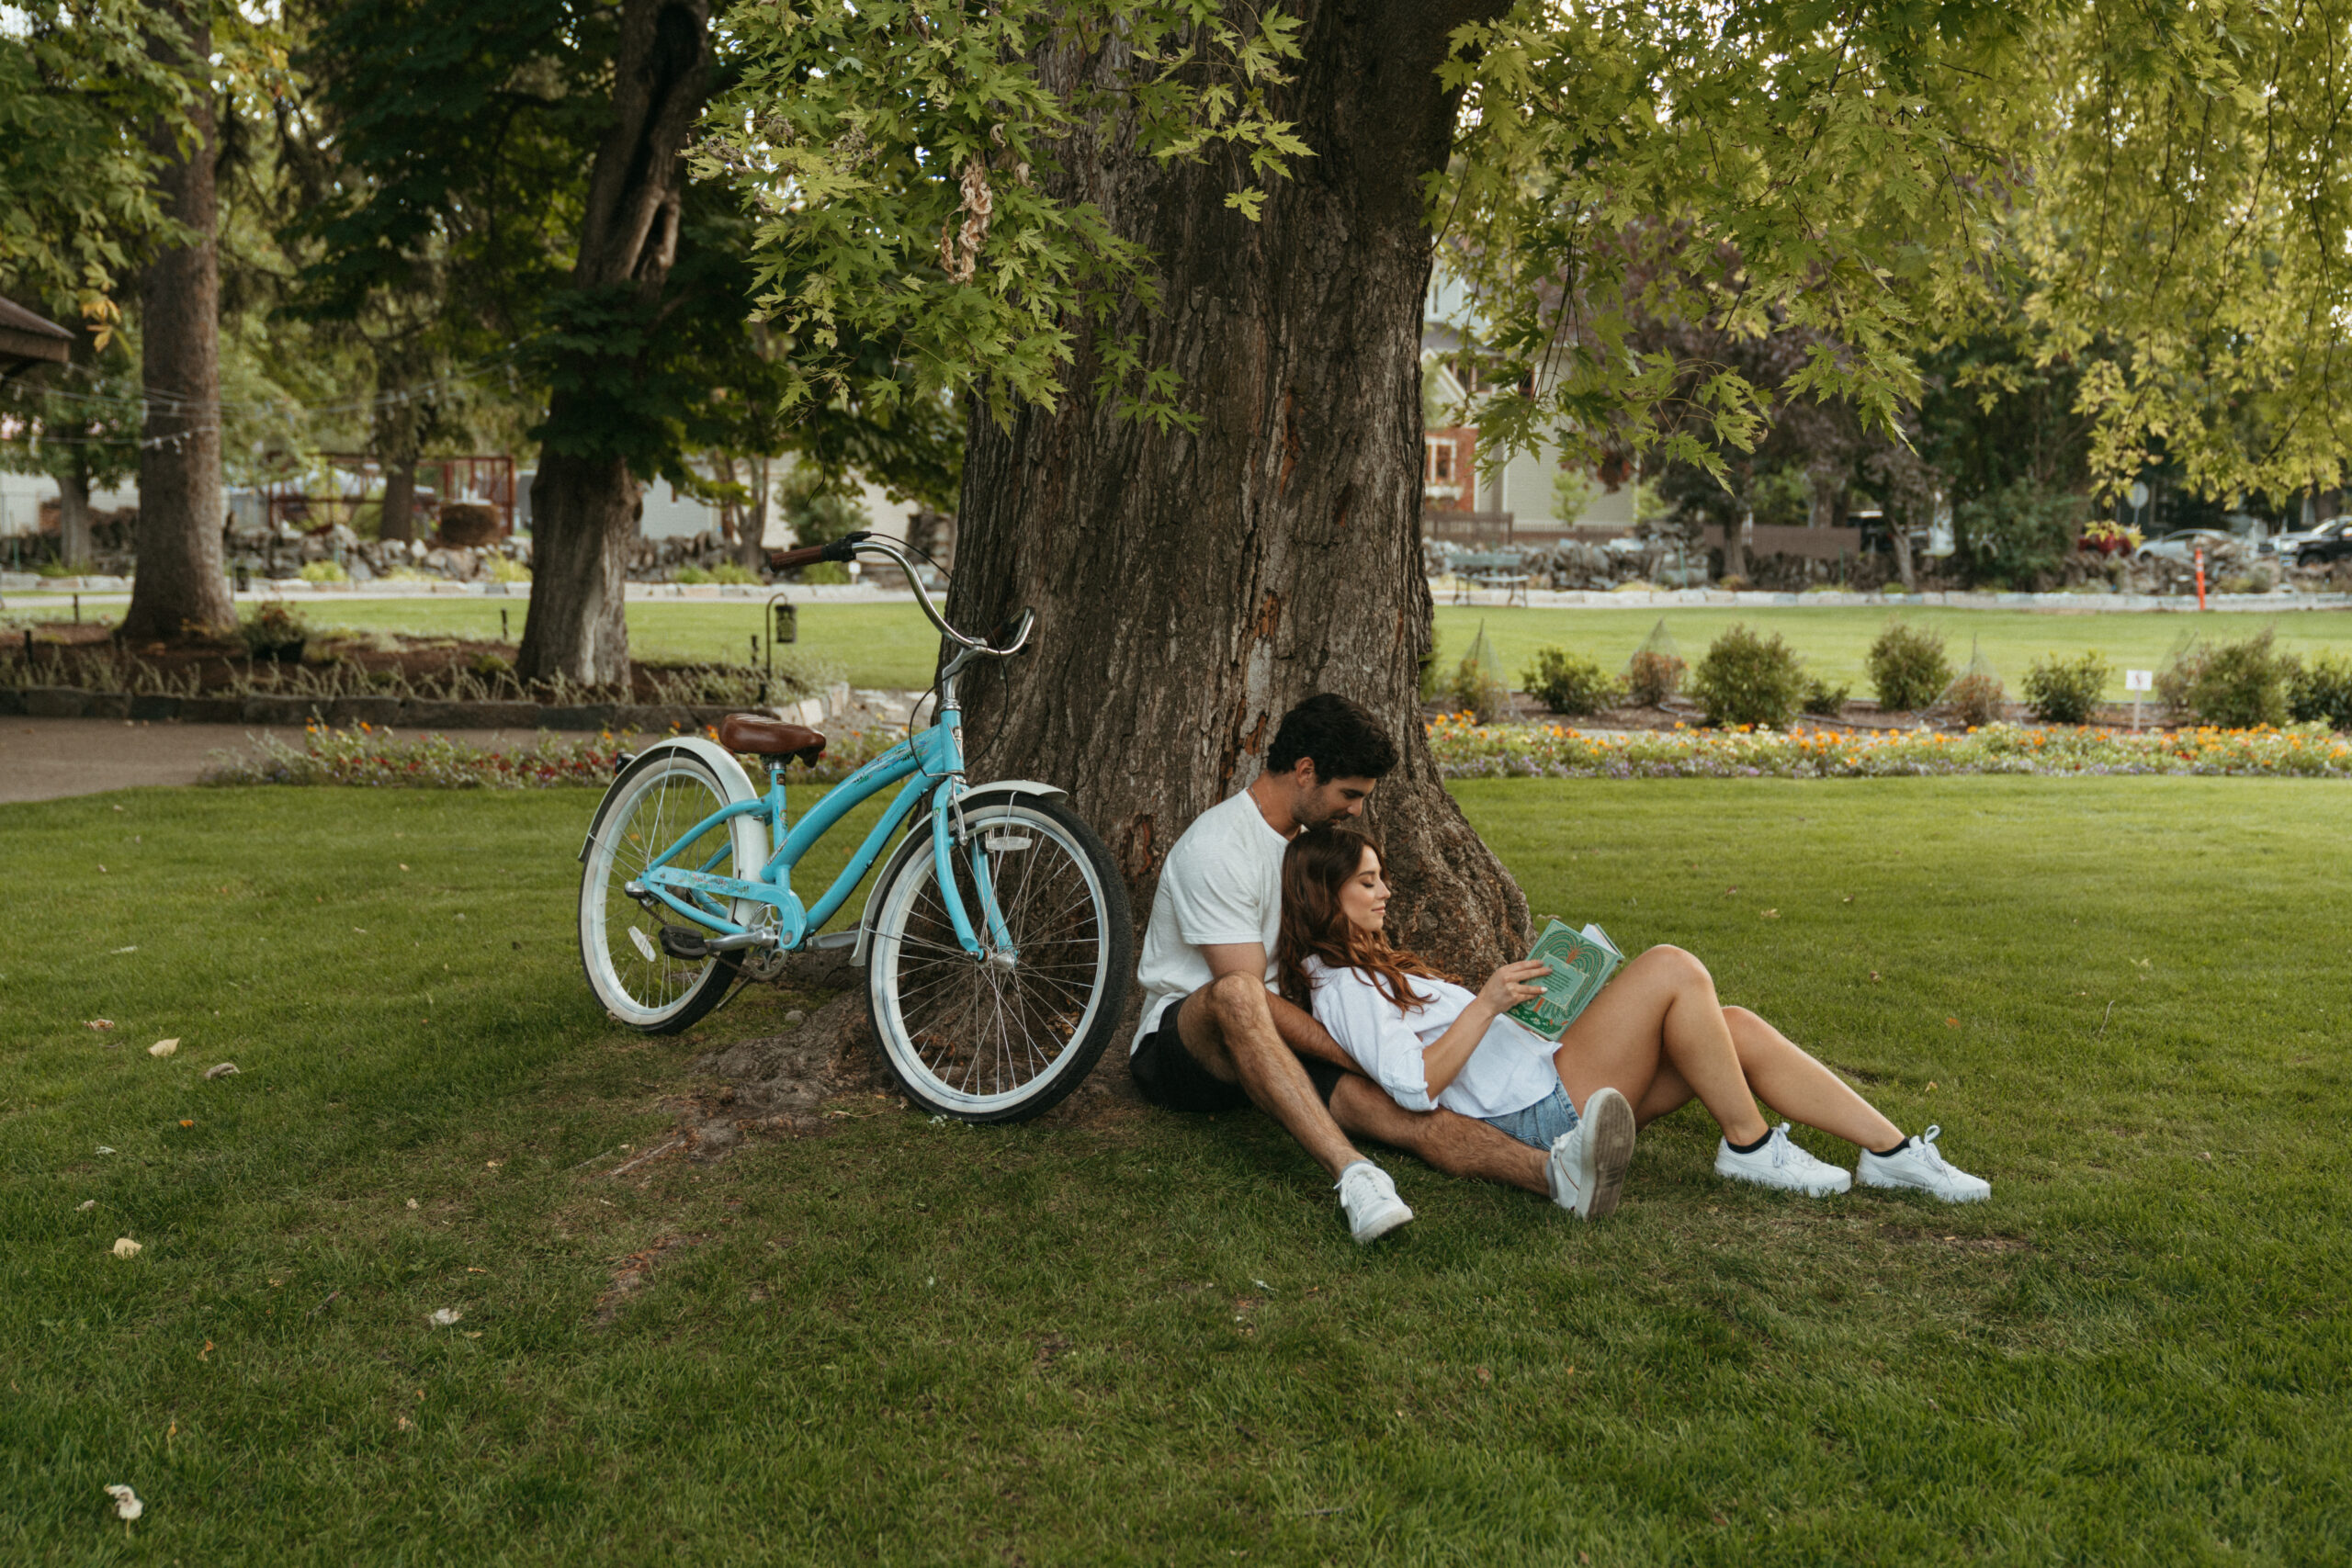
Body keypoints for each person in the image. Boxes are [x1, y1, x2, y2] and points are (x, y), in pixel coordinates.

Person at [1275, 824, 1993, 1205]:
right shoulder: (1338, 984)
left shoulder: (1372, 966)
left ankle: (1896, 1154)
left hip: (1541, 1073)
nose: (1386, 891)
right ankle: (1747, 1150)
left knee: (1732, 1023)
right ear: (1324, 893)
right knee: (1673, 967)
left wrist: (1535, 1007)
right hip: (1537, 1111)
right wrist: (1490, 998)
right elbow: (1412, 1083)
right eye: (1368, 881)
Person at [1129, 694, 1621, 1244]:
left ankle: (1554, 1175)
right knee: (1240, 993)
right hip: (1191, 1043)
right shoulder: (1220, 847)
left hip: (1283, 1046)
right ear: (1305, 772)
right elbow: (1254, 1000)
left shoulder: (1311, 850)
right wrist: (1362, 1058)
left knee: (1403, 1113)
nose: (1357, 810)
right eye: (1349, 795)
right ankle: (1355, 1176)